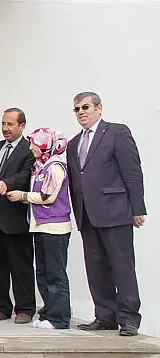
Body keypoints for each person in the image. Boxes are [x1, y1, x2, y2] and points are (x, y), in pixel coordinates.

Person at [66, 91, 145, 337]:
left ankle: (129, 318)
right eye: (77, 109)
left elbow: (132, 171)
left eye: (85, 107)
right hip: (87, 214)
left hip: (115, 210)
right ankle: (105, 316)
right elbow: (75, 180)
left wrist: (138, 208)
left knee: (122, 265)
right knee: (96, 267)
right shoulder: (73, 143)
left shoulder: (117, 132)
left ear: (99, 108)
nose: (81, 112)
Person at [7, 127, 72, 330]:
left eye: (34, 144)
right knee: (43, 274)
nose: (31, 148)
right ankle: (48, 314)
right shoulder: (41, 166)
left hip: (55, 228)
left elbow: (47, 196)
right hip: (41, 227)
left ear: (45, 145)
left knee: (55, 275)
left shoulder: (55, 166)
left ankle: (59, 319)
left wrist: (22, 196)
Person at [0, 108, 36, 324]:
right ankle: (2, 307)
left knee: (20, 264)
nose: (5, 128)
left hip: (15, 215)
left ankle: (26, 309)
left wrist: (8, 183)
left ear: (22, 126)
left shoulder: (29, 149)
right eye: (3, 124)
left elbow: (27, 175)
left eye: (10, 124)